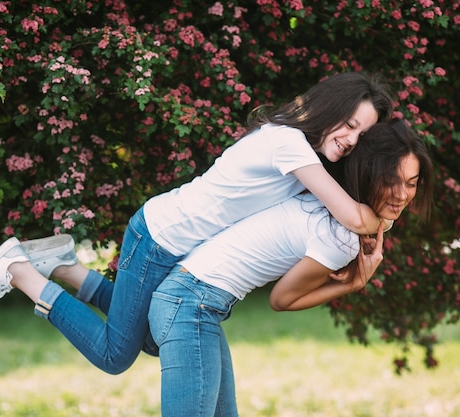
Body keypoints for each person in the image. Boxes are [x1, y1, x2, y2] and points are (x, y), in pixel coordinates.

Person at [0, 72, 394, 375]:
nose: (351, 140)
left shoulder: (304, 159)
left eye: (361, 136)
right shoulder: (289, 144)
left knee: (149, 338)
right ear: (329, 107)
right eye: (349, 125)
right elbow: (353, 216)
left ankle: (63, 267)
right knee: (114, 355)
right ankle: (20, 272)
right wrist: (389, 215)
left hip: (174, 243)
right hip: (159, 238)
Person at [147, 118, 434, 416]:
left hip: (192, 299)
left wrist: (381, 224)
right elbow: (281, 300)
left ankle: (90, 285)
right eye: (391, 182)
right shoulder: (341, 236)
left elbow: (382, 219)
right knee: (115, 353)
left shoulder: (332, 198)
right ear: (368, 174)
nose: (402, 195)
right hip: (191, 303)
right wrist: (352, 283)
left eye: (411, 183)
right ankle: (89, 284)